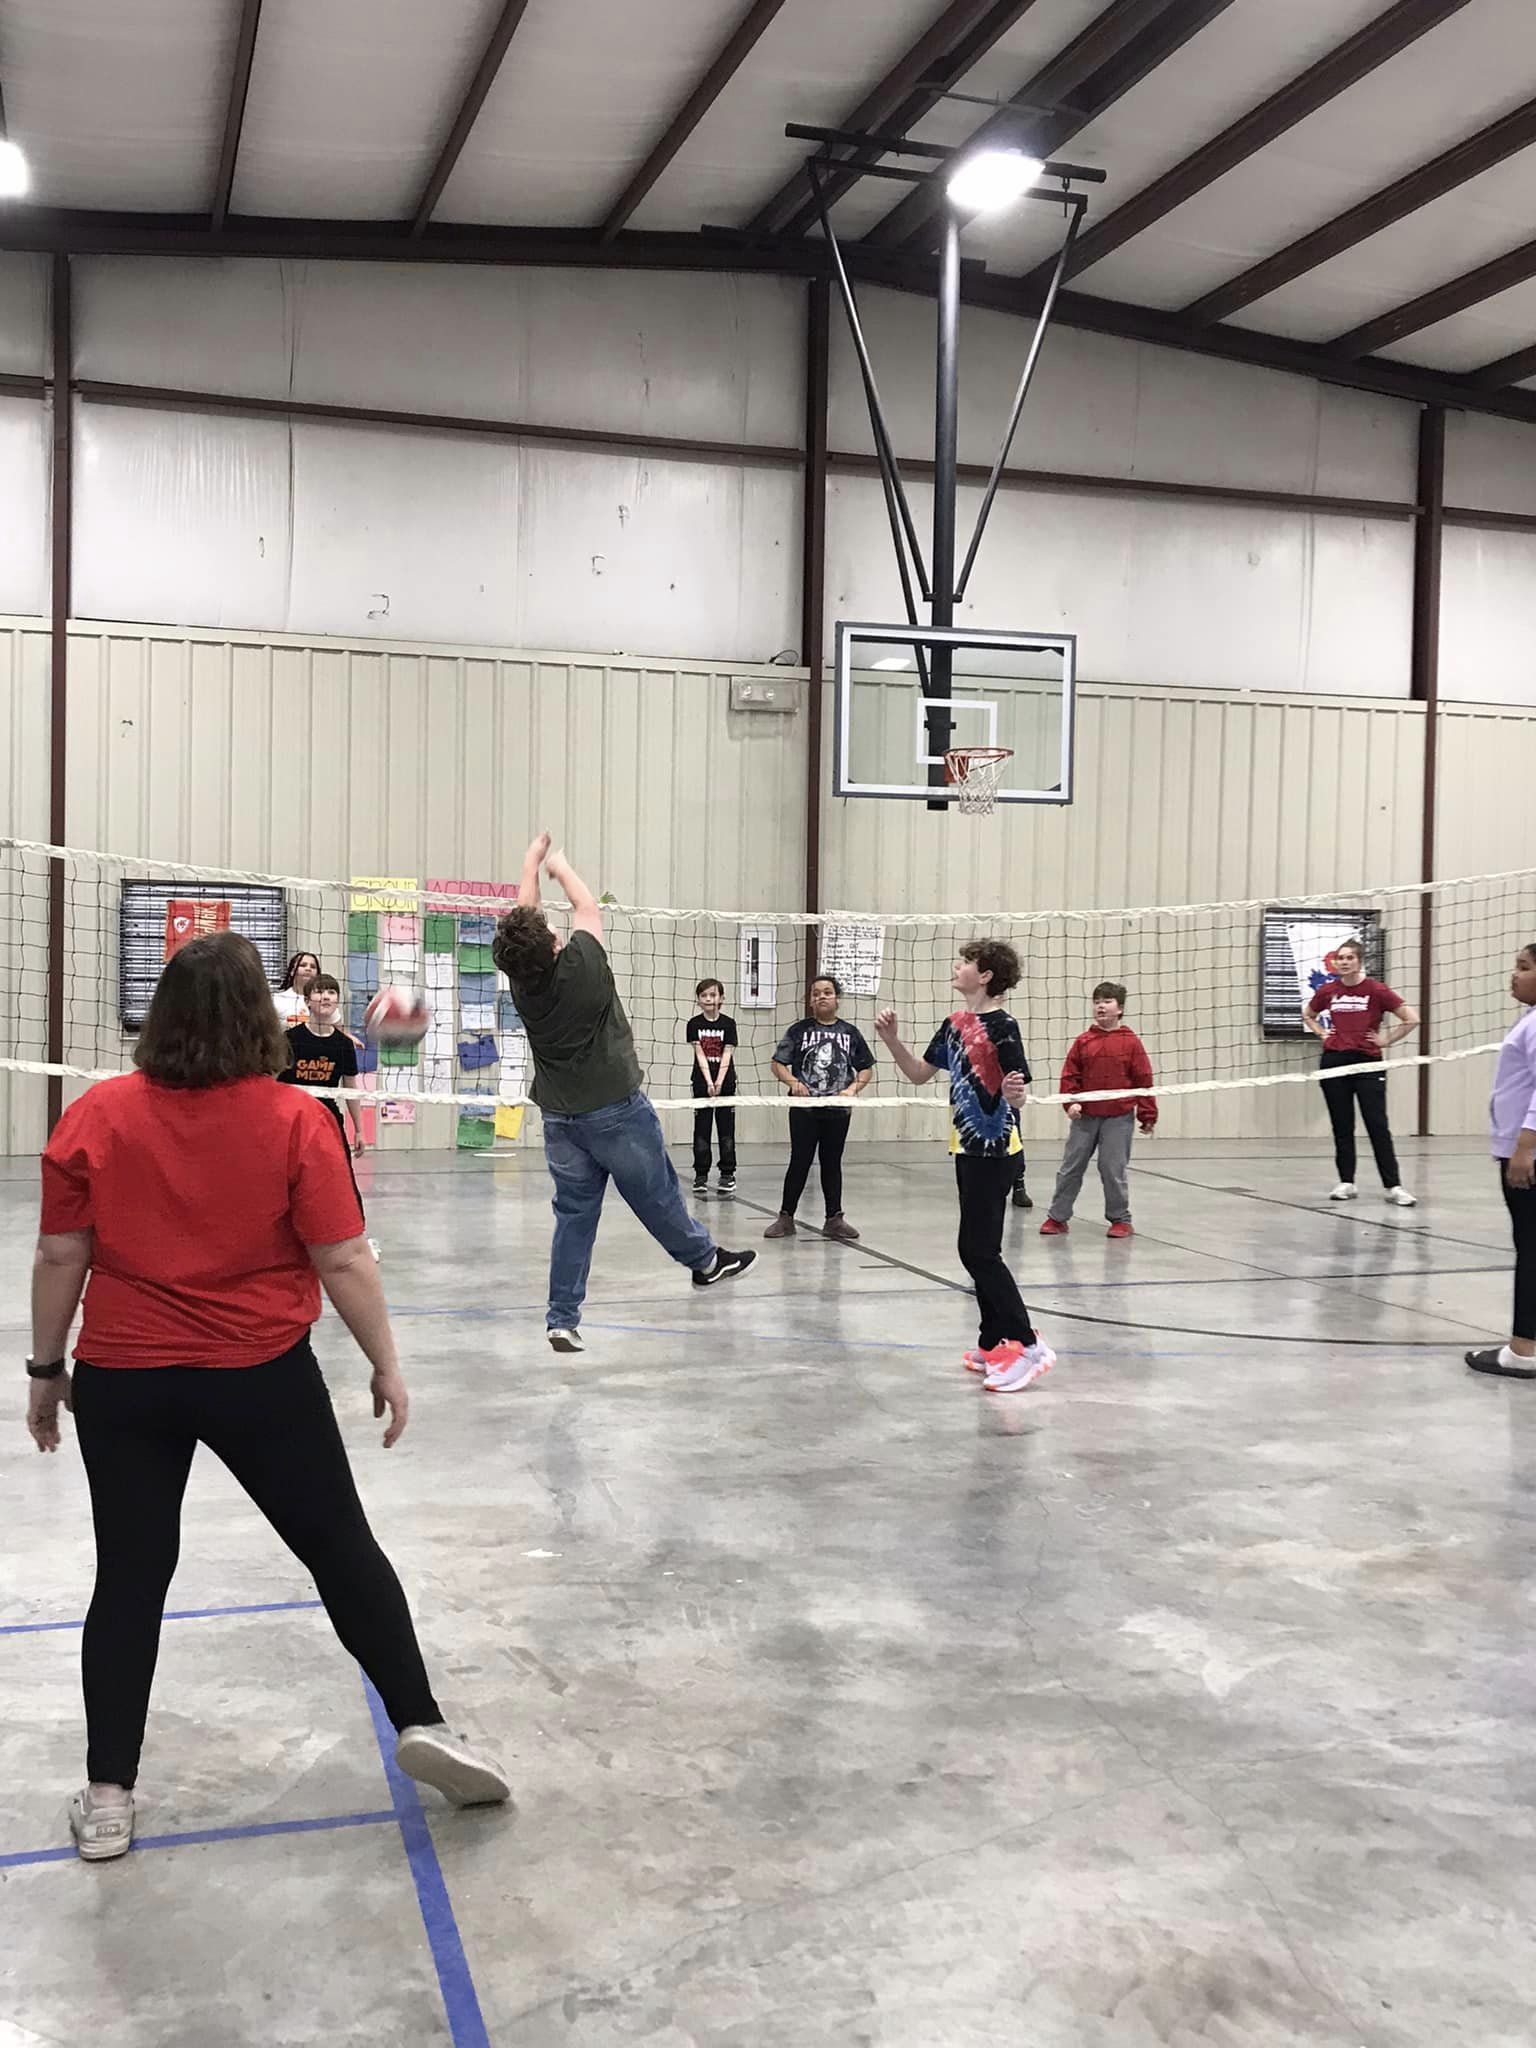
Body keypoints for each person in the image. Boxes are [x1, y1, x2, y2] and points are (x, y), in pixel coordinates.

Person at [24, 931, 508, 1863]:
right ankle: (421, 1720)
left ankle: (110, 1795)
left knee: (130, 1576)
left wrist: (48, 1375)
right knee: (339, 1548)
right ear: (265, 1019)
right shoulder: (297, 1121)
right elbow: (341, 1258)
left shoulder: (98, 1115)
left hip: (127, 1379)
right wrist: (387, 1363)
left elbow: (59, 1256)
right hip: (260, 1376)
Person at [492, 833, 755, 1356]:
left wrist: (528, 863)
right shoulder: (583, 964)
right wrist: (559, 865)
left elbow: (526, 920)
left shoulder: (523, 984)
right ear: (550, 944)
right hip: (615, 1111)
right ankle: (705, 1262)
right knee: (657, 1197)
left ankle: (561, 1319)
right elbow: (586, 906)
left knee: (573, 1215)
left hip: (561, 1121)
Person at [876, 941, 1054, 1394]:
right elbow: (919, 1073)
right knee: (976, 1248)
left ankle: (1029, 1345)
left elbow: (1019, 1092)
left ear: (987, 975)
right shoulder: (955, 1024)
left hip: (996, 1151)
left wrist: (1015, 1096)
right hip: (965, 1147)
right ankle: (994, 1340)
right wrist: (892, 1040)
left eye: (966, 963)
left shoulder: (1003, 1026)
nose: (957, 968)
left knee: (978, 1251)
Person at [1302, 939, 1419, 1206]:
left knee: (1377, 1125)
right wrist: (1322, 1033)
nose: (1344, 962)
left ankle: (1393, 1186)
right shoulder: (1328, 990)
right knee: (1342, 1125)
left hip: (1367, 1064)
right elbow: (1308, 1013)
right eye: (1340, 958)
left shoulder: (1376, 990)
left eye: (1350, 958)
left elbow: (1412, 1018)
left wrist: (1385, 1041)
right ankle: (1347, 1182)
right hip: (1334, 1062)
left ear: (1359, 961)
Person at [1466, 944, 1536, 1380]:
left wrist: (1524, 1147)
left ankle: (1523, 1350)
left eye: (1524, 968)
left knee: (1531, 1247)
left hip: (1529, 1152)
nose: (1514, 975)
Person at [1039, 981, 1157, 1239]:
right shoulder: (1083, 1042)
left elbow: (1143, 1080)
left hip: (1119, 1118)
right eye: (1097, 1001)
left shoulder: (1131, 1042)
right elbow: (1070, 1077)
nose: (1101, 1006)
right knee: (1071, 1166)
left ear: (1120, 1008)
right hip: (1086, 1118)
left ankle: (1120, 1219)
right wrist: (1071, 1104)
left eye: (1107, 1001)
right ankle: (1057, 1217)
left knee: (1112, 1168)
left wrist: (1148, 1115)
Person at [762, 975, 875, 1243]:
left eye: (827, 992)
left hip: (837, 1110)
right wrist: (793, 1082)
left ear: (837, 998)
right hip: (805, 1109)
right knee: (799, 1160)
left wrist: (851, 1090)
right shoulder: (798, 1030)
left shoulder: (850, 1033)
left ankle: (834, 1219)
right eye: (816, 993)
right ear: (810, 1000)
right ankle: (786, 1217)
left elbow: (866, 1068)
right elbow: (777, 1063)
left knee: (831, 1162)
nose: (821, 996)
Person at [280, 973, 364, 1158]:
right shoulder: (289, 1040)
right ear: (307, 1001)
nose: (326, 996)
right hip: (292, 1118)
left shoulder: (344, 1044)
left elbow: (351, 1089)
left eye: (331, 992)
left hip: (327, 1117)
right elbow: (272, 1083)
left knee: (339, 1180)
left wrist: (359, 1130)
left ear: (337, 1001)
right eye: (319, 991)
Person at [686, 977, 738, 1197]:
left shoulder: (728, 1024)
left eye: (713, 995)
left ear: (721, 998)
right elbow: (699, 1054)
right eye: (704, 995)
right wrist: (708, 1082)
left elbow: (727, 1052)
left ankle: (727, 1174)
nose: (708, 999)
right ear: (698, 1000)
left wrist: (719, 1082)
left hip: (725, 1082)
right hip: (701, 1083)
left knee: (726, 1130)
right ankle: (701, 1175)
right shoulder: (694, 1024)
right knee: (702, 1130)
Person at [273, 950, 321, 1029]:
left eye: (313, 967)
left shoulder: (324, 1001)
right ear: (292, 971)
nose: (308, 969)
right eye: (302, 965)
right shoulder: (277, 1000)